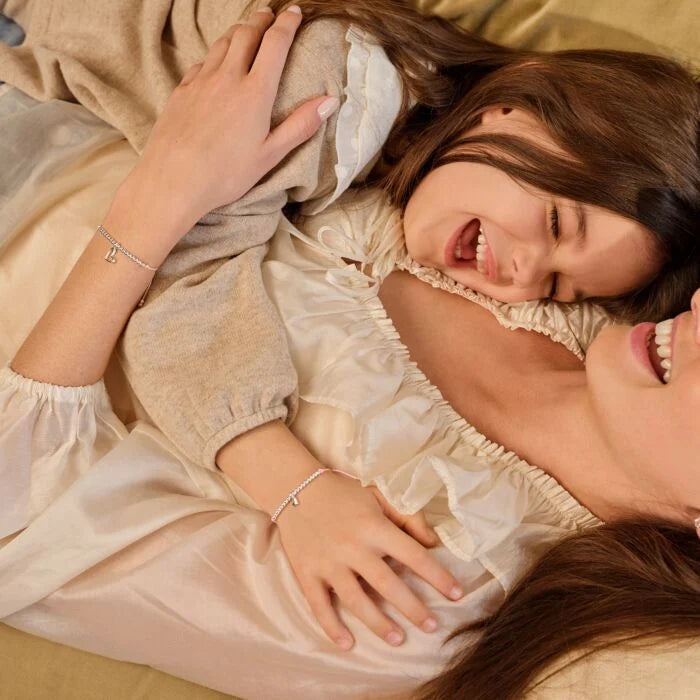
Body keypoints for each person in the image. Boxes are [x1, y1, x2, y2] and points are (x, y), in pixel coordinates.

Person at [0, 2, 698, 699]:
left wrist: (158, 203)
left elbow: (15, 516)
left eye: (556, 273)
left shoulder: (430, 593)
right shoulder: (606, 306)